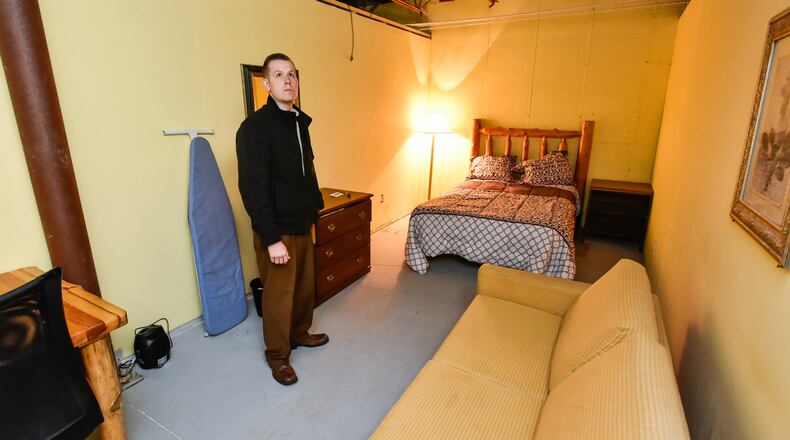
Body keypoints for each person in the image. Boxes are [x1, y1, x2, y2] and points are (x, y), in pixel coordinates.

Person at [236, 53, 327, 386]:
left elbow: (306, 171)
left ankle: (300, 333)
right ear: (266, 84)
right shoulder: (254, 129)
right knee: (279, 294)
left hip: (302, 220)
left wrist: (314, 207)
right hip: (276, 228)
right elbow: (252, 189)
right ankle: (277, 355)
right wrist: (272, 238)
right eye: (278, 75)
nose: (287, 81)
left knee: (303, 288)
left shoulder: (299, 121)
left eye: (291, 74)